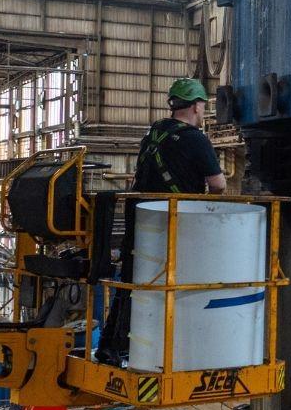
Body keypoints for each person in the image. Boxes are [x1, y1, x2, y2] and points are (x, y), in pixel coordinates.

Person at [95, 78, 225, 364]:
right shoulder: (195, 139)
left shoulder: (153, 133)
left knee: (133, 281)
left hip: (140, 217)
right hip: (175, 222)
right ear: (195, 106)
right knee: (176, 285)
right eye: (203, 106)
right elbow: (218, 184)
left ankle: (111, 346)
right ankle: (172, 348)